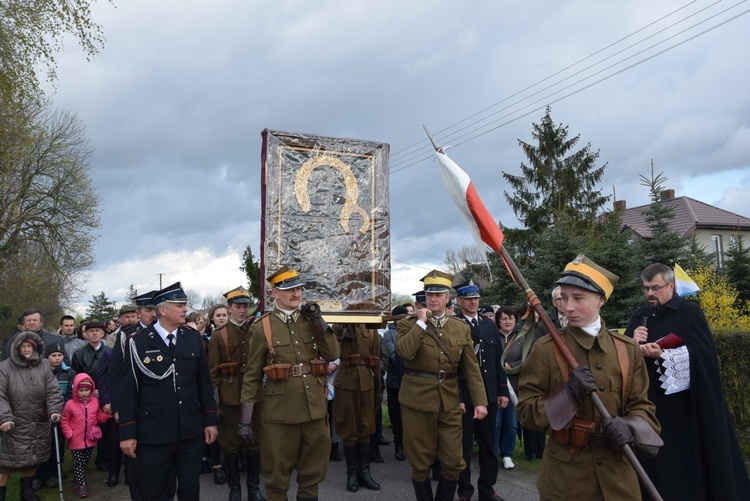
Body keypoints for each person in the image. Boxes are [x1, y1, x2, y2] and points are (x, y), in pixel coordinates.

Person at [517, 254, 660, 500]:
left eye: (578, 298)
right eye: (564, 298)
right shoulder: (546, 349)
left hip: (619, 481)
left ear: (601, 300)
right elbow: (526, 413)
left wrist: (630, 427)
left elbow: (643, 407)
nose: (568, 307)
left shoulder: (627, 350)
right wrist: (568, 394)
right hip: (566, 481)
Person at [624, 263, 750, 500]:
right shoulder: (640, 315)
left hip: (685, 409)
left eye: (655, 287)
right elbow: (622, 356)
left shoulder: (689, 311)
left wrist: (662, 354)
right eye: (646, 288)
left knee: (683, 461)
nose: (650, 293)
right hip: (649, 403)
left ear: (671, 286)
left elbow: (703, 354)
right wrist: (632, 340)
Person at [239, 266, 340, 501]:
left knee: (311, 478)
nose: (297, 294)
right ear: (274, 293)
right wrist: (245, 420)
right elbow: (252, 376)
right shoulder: (261, 326)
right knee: (276, 481)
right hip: (279, 416)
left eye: (298, 289)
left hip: (314, 411)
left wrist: (318, 320)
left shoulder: (311, 321)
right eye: (290, 290)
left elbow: (333, 352)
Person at [118, 282, 218, 501]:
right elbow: (128, 391)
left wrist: (210, 420)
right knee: (157, 491)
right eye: (179, 305)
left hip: (190, 431)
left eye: (184, 305)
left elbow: (204, 384)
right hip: (154, 433)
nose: (185, 309)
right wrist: (127, 433)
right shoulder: (138, 342)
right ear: (163, 310)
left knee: (190, 489)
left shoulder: (192, 338)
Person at [396, 270, 488, 501]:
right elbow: (404, 353)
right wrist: (420, 323)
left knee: (455, 462)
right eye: (429, 294)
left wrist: (480, 401)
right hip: (417, 400)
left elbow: (471, 369)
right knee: (420, 463)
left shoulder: (460, 328)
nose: (433, 299)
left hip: (449, 400)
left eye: (439, 294)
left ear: (448, 298)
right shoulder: (408, 325)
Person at [454, 280, 509, 501]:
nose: (473, 302)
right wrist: (457, 396)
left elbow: (498, 361)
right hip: (465, 397)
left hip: (489, 396)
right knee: (464, 446)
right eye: (468, 299)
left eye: (475, 298)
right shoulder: (455, 325)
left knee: (488, 445)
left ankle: (487, 489)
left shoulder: (489, 325)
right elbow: (453, 367)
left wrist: (502, 391)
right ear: (459, 301)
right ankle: (465, 491)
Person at [208, 286, 264, 501]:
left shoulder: (255, 330)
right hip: (229, 396)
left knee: (254, 441)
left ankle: (253, 489)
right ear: (229, 308)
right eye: (238, 306)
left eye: (245, 306)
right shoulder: (218, 335)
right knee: (230, 445)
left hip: (254, 395)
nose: (243, 310)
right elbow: (212, 372)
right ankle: (234, 490)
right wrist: (216, 403)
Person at [0, 332, 64, 501]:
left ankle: (26, 492)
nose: (26, 350)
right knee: (5, 463)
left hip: (38, 421)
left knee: (34, 459)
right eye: (23, 346)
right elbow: (0, 395)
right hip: (14, 422)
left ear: (35, 347)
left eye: (29, 346)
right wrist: (5, 417)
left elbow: (52, 390)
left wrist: (54, 409)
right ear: (17, 348)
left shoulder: (43, 365)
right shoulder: (5, 367)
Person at [332, 322, 382, 492]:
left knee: (366, 427)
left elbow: (376, 357)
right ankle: (352, 474)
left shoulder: (370, 326)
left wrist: (377, 384)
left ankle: (365, 473)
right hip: (346, 380)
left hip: (367, 381)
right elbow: (332, 350)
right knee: (349, 428)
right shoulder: (339, 325)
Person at [61, 373, 112, 498]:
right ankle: (82, 486)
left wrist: (107, 414)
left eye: (87, 390)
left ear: (91, 390)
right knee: (78, 463)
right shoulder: (70, 404)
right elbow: (64, 420)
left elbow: (98, 418)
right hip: (76, 439)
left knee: (84, 462)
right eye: (81, 390)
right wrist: (69, 434)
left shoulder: (95, 402)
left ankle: (76, 482)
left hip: (90, 439)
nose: (84, 393)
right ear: (76, 390)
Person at [34, 341, 76, 490]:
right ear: (46, 357)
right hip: (41, 415)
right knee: (40, 445)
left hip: (59, 415)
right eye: (54, 355)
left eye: (60, 355)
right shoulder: (38, 372)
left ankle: (54, 473)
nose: (57, 358)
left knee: (56, 445)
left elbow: (71, 395)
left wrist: (58, 408)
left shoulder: (69, 372)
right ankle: (39, 475)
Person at [201, 304, 228, 485]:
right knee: (214, 426)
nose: (221, 318)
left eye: (224, 315)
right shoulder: (204, 339)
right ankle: (217, 465)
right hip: (213, 386)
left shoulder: (236, 334)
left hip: (232, 387)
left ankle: (235, 459)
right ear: (212, 318)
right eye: (218, 315)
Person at [492, 305, 519, 470]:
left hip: (514, 387)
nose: (508, 321)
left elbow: (528, 357)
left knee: (511, 424)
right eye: (504, 318)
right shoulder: (493, 335)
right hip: (496, 387)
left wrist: (513, 365)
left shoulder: (521, 337)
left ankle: (507, 454)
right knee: (495, 423)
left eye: (511, 318)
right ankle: (492, 454)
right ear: (498, 321)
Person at [382, 305, 408, 461]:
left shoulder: (413, 331)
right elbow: (394, 355)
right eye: (401, 318)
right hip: (395, 382)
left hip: (411, 381)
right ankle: (399, 444)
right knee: (396, 416)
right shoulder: (389, 334)